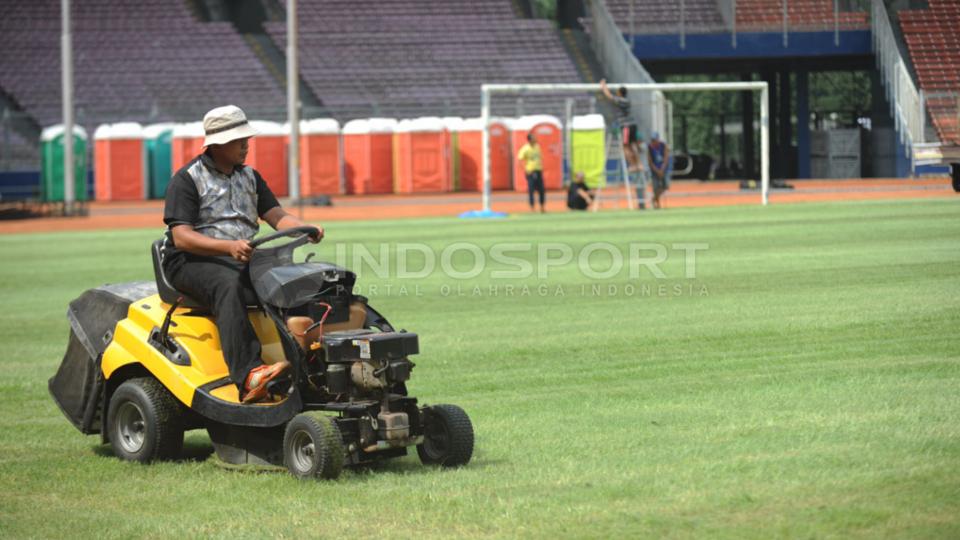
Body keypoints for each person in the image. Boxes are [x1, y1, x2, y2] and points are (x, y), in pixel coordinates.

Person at [162, 105, 322, 404]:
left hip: (240, 257)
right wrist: (228, 247)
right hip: (190, 261)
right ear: (217, 144)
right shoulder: (187, 179)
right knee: (228, 284)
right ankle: (249, 376)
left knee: (302, 281)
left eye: (246, 139)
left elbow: (276, 215)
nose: (246, 145)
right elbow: (181, 237)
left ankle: (312, 366)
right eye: (239, 141)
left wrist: (304, 227)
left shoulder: (250, 176)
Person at [600, 79, 640, 170]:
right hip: (632, 125)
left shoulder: (621, 100)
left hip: (626, 126)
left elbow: (609, 96)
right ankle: (638, 164)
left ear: (620, 93)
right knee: (632, 145)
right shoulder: (627, 101)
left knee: (625, 146)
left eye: (618, 92)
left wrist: (603, 86)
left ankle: (633, 165)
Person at [517, 132, 546, 213]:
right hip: (530, 171)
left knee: (542, 190)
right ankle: (532, 207)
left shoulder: (537, 147)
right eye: (534, 138)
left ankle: (542, 207)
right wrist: (525, 170)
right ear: (530, 140)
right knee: (531, 190)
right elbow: (519, 160)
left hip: (538, 170)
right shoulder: (525, 148)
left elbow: (540, 158)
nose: (536, 139)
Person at [647, 131, 671, 209]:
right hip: (654, 170)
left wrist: (662, 169)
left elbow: (666, 158)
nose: (653, 142)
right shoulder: (650, 148)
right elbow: (650, 162)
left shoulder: (663, 146)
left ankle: (654, 199)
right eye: (652, 140)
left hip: (664, 169)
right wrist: (657, 171)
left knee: (666, 185)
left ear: (658, 139)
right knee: (655, 187)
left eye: (654, 140)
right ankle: (657, 204)